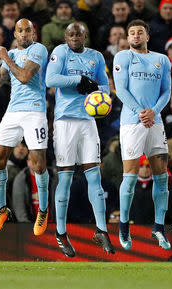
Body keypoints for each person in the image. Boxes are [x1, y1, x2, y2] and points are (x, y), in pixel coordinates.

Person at [45, 22, 114, 256]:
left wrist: (95, 88)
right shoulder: (60, 53)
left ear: (85, 36)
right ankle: (61, 233)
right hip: (65, 121)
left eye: (78, 34)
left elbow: (105, 88)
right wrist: (78, 81)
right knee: (64, 178)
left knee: (95, 175)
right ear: (65, 37)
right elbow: (50, 80)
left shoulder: (96, 57)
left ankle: (101, 230)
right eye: (70, 34)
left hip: (88, 121)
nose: (74, 38)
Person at [0, 19, 50, 237]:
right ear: (15, 34)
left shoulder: (38, 49)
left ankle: (43, 211)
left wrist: (5, 57)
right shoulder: (10, 54)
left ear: (33, 34)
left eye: (29, 30)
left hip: (35, 110)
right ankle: (1, 210)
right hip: (13, 111)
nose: (25, 33)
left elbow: (26, 77)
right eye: (21, 31)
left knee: (38, 162)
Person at [113, 19, 172, 250]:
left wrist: (153, 112)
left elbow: (167, 90)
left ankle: (159, 227)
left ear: (147, 36)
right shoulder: (123, 57)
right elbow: (121, 90)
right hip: (132, 124)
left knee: (162, 178)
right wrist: (141, 113)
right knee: (129, 176)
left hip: (155, 123)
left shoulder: (162, 60)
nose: (136, 36)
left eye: (140, 32)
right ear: (128, 38)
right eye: (132, 33)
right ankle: (124, 226)